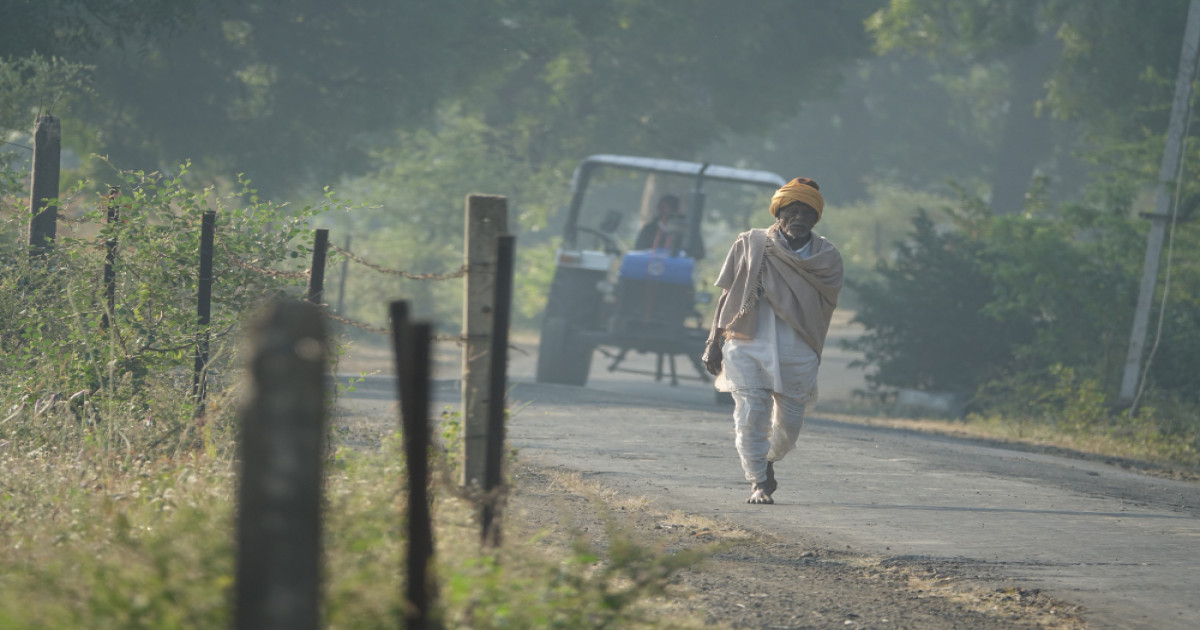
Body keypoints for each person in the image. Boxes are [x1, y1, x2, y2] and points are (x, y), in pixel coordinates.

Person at [701, 177, 842, 504]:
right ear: (778, 213)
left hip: (798, 348)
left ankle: (768, 460)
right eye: (792, 210)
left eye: (807, 213)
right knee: (751, 415)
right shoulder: (750, 243)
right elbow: (727, 295)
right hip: (746, 344)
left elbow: (823, 307)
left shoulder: (827, 257)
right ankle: (758, 481)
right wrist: (713, 341)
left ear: (816, 218)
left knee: (789, 425)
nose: (799, 218)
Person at [634, 194, 705, 259]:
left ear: (677, 209)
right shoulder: (648, 230)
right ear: (659, 208)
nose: (666, 211)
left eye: (670, 208)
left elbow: (699, 253)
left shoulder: (688, 230)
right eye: (663, 208)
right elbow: (639, 251)